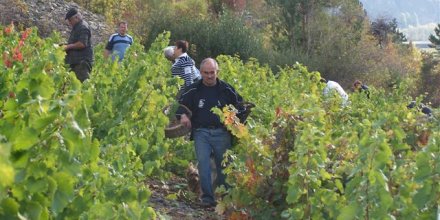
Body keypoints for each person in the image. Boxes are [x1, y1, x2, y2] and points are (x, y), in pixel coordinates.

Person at [176, 58, 246, 208]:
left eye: (212, 72)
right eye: (206, 73)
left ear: (217, 72)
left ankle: (226, 198)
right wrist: (182, 115)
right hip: (201, 132)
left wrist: (235, 121)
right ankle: (207, 198)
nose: (209, 76)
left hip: (222, 133)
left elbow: (241, 106)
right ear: (200, 72)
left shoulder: (227, 90)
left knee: (224, 166)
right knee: (203, 164)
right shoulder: (194, 90)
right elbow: (180, 105)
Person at [64, 8, 93, 82]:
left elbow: (82, 44)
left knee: (81, 87)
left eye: (70, 20)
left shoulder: (83, 27)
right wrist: (64, 44)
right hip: (75, 63)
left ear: (76, 17)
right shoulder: (77, 26)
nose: (69, 23)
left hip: (81, 63)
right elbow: (74, 42)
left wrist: (68, 47)